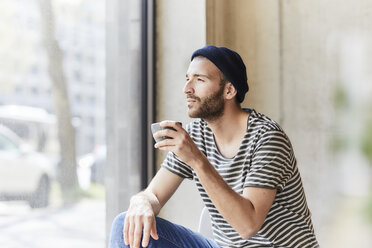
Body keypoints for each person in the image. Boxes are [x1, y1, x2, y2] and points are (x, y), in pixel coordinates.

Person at [109, 45, 319, 248]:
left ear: (229, 90)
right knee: (123, 225)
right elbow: (153, 194)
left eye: (199, 80)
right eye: (187, 79)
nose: (187, 89)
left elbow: (248, 226)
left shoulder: (267, 138)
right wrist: (141, 202)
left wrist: (196, 159)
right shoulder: (197, 134)